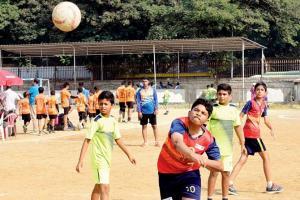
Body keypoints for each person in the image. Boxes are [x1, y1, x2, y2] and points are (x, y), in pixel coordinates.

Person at [157, 98, 223, 200]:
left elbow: (220, 166)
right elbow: (177, 142)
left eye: (203, 113)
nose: (198, 114)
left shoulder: (208, 139)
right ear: (189, 112)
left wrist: (203, 161)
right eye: (196, 110)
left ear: (207, 120)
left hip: (189, 174)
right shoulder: (179, 123)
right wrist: (192, 155)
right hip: (166, 173)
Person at [76, 91, 136, 200]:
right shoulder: (96, 121)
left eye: (106, 104)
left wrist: (129, 155)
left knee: (99, 186)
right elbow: (87, 140)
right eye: (101, 104)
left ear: (111, 105)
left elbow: (118, 139)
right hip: (99, 160)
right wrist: (80, 161)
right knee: (105, 187)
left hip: (107, 158)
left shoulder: (113, 120)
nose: (103, 106)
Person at [229, 82, 283, 194]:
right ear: (254, 92)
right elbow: (240, 116)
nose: (259, 91)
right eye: (257, 89)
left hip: (250, 135)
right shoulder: (250, 103)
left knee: (243, 158)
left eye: (262, 90)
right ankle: (270, 185)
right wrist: (239, 132)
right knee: (266, 157)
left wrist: (271, 128)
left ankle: (229, 183)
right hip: (253, 135)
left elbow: (266, 119)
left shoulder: (263, 105)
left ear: (265, 92)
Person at [207, 83, 246, 200]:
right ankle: (210, 197)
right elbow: (205, 128)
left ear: (230, 96)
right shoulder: (212, 109)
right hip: (214, 148)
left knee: (226, 173)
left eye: (224, 94)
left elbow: (238, 127)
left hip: (228, 148)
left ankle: (225, 197)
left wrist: (242, 143)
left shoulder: (233, 111)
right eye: (219, 94)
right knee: (214, 173)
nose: (222, 96)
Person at [136, 77, 159, 147]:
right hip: (143, 112)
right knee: (144, 126)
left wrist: (156, 109)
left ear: (148, 82)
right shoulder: (139, 91)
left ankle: (156, 142)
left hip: (152, 111)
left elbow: (156, 100)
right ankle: (145, 142)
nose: (144, 82)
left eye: (145, 81)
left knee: (154, 126)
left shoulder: (153, 90)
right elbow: (138, 102)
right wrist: (139, 111)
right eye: (143, 81)